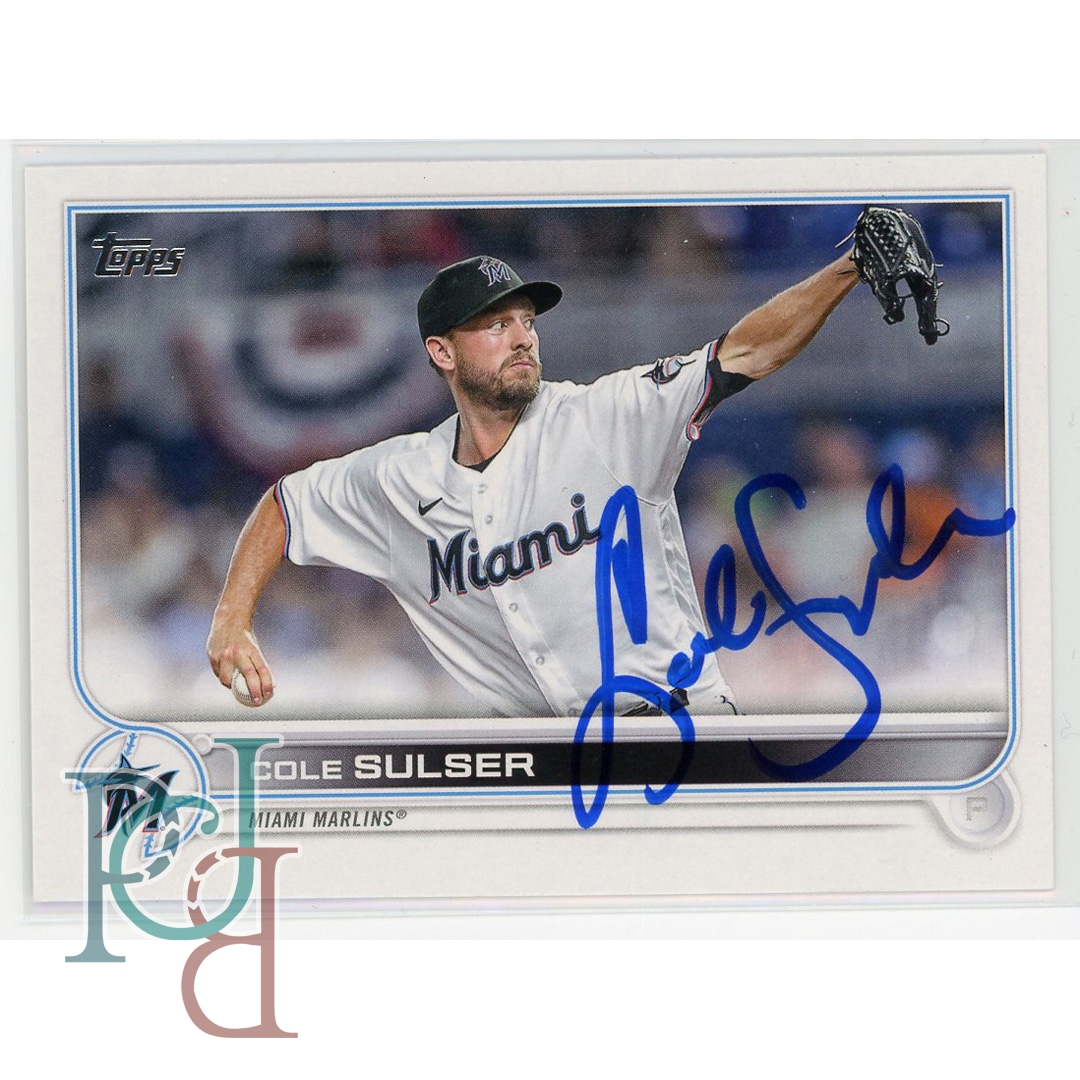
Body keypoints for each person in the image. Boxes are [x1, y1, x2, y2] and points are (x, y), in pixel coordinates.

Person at [207, 249, 859, 717]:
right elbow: (284, 506)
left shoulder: (604, 416)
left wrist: (849, 266)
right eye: (497, 325)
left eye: (527, 321)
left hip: (677, 730)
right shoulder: (401, 478)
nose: (522, 338)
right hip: (544, 768)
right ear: (442, 352)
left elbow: (743, 352)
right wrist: (232, 619)